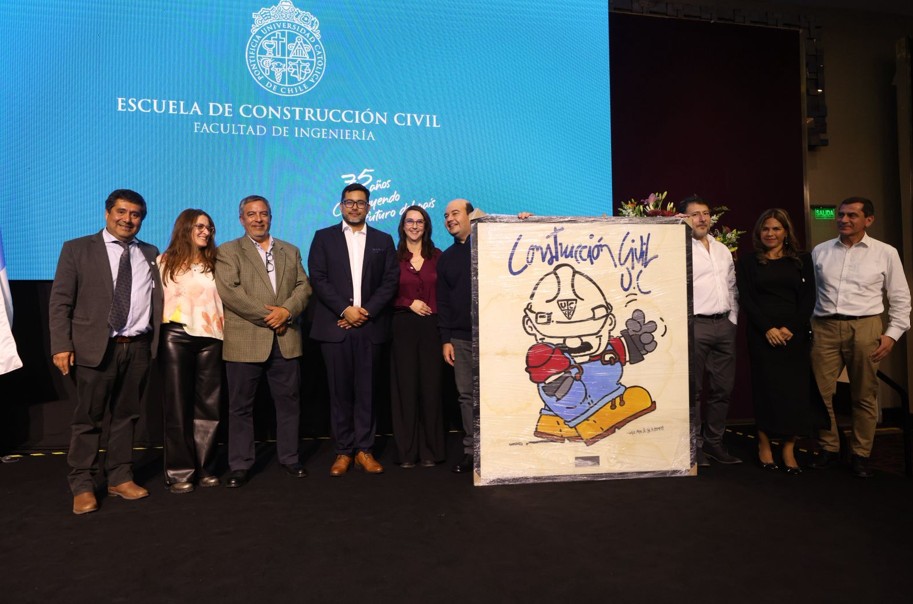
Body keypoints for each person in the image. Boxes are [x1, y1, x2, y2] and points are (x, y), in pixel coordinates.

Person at [49, 189, 163, 515]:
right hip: (94, 349)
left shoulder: (151, 253)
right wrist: (61, 345)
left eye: (135, 214)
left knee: (127, 417)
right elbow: (60, 301)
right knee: (89, 419)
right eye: (121, 212)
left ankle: (119, 477)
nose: (128, 219)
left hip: (137, 348)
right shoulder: (77, 249)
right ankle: (82, 484)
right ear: (107, 213)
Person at [809, 197, 911, 478]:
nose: (844, 220)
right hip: (824, 326)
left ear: (869, 220)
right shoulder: (821, 251)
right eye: (841, 214)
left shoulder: (885, 252)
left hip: (865, 327)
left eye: (852, 215)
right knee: (819, 393)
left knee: (864, 395)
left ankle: (860, 454)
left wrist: (892, 335)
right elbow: (809, 293)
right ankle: (829, 448)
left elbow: (900, 298)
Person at [215, 195, 312, 488]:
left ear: (271, 217)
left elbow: (303, 287)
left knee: (289, 403)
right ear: (241, 219)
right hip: (245, 341)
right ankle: (240, 464)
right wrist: (272, 316)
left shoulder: (290, 250)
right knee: (240, 407)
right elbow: (230, 293)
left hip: (286, 339)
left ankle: (290, 458)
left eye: (263, 214)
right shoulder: (228, 251)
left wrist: (287, 312)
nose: (258, 219)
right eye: (251, 214)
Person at [308, 183, 399, 477]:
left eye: (360, 202)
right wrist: (344, 310)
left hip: (370, 327)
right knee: (339, 392)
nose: (355, 207)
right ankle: (343, 451)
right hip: (336, 327)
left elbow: (390, 281)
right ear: (341, 205)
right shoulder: (323, 237)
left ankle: (365, 450)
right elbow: (318, 277)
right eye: (349, 202)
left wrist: (365, 312)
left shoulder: (383, 240)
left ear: (369, 207)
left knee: (367, 392)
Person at [437, 199, 531, 474]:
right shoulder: (446, 258)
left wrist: (526, 223)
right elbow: (443, 302)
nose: (449, 219)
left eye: (455, 213)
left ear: (471, 216)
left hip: (497, 336)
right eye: (446, 215)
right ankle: (473, 453)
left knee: (502, 392)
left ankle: (507, 448)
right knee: (467, 396)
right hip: (461, 339)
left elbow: (528, 250)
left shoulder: (495, 245)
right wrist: (446, 339)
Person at [736, 208, 822, 475]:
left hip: (794, 335)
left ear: (786, 232)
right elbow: (746, 298)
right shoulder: (748, 261)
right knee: (766, 390)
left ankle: (788, 448)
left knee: (795, 392)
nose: (770, 233)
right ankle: (764, 444)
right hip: (761, 335)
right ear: (758, 232)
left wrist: (790, 328)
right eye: (765, 229)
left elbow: (808, 298)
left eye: (776, 228)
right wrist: (768, 329)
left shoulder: (802, 259)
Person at [157, 209, 224, 493]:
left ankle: (206, 468)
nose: (206, 232)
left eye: (209, 228)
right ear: (185, 228)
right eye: (200, 227)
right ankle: (180, 472)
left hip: (212, 336)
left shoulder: (218, 262)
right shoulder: (163, 261)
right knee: (177, 405)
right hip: (176, 335)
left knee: (209, 406)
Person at [679, 194, 741, 466]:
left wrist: (733, 318)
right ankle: (695, 447)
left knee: (722, 389)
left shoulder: (722, 249)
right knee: (692, 390)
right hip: (696, 325)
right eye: (695, 214)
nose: (702, 218)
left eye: (705, 213)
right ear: (684, 218)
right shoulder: (679, 247)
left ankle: (715, 443)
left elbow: (732, 286)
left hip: (724, 325)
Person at [390, 205, 445, 468]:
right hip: (403, 328)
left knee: (431, 389)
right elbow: (383, 293)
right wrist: (407, 302)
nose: (414, 226)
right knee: (406, 389)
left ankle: (431, 451)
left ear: (426, 226)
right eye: (409, 221)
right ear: (402, 226)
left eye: (419, 222)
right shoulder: (392, 258)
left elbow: (447, 293)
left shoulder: (438, 257)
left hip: (432, 329)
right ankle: (407, 453)